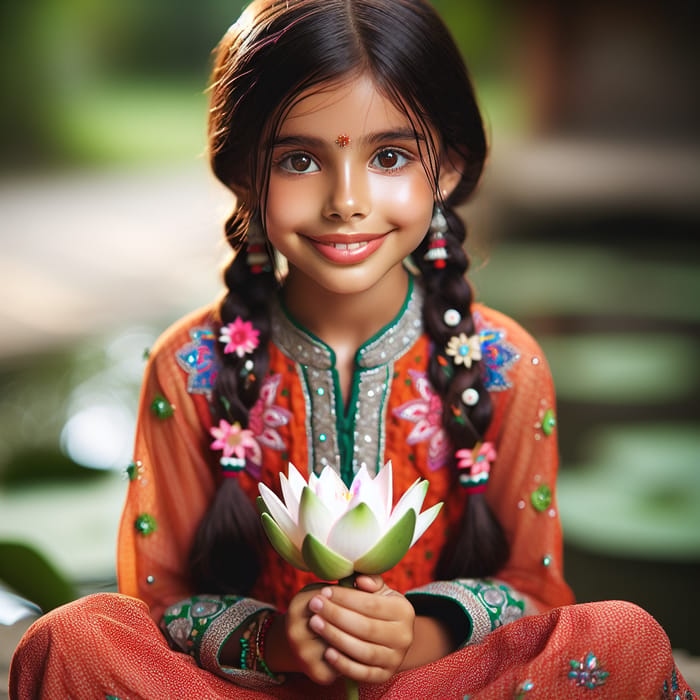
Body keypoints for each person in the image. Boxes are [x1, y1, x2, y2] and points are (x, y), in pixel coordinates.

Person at [10, 0, 696, 698]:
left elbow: (534, 591)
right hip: (254, 687)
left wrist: (417, 635)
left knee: (620, 637)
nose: (347, 200)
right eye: (301, 160)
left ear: (449, 169)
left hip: (436, 688)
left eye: (390, 156)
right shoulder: (191, 364)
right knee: (73, 640)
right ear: (246, 175)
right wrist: (277, 640)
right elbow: (157, 601)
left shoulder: (503, 362)